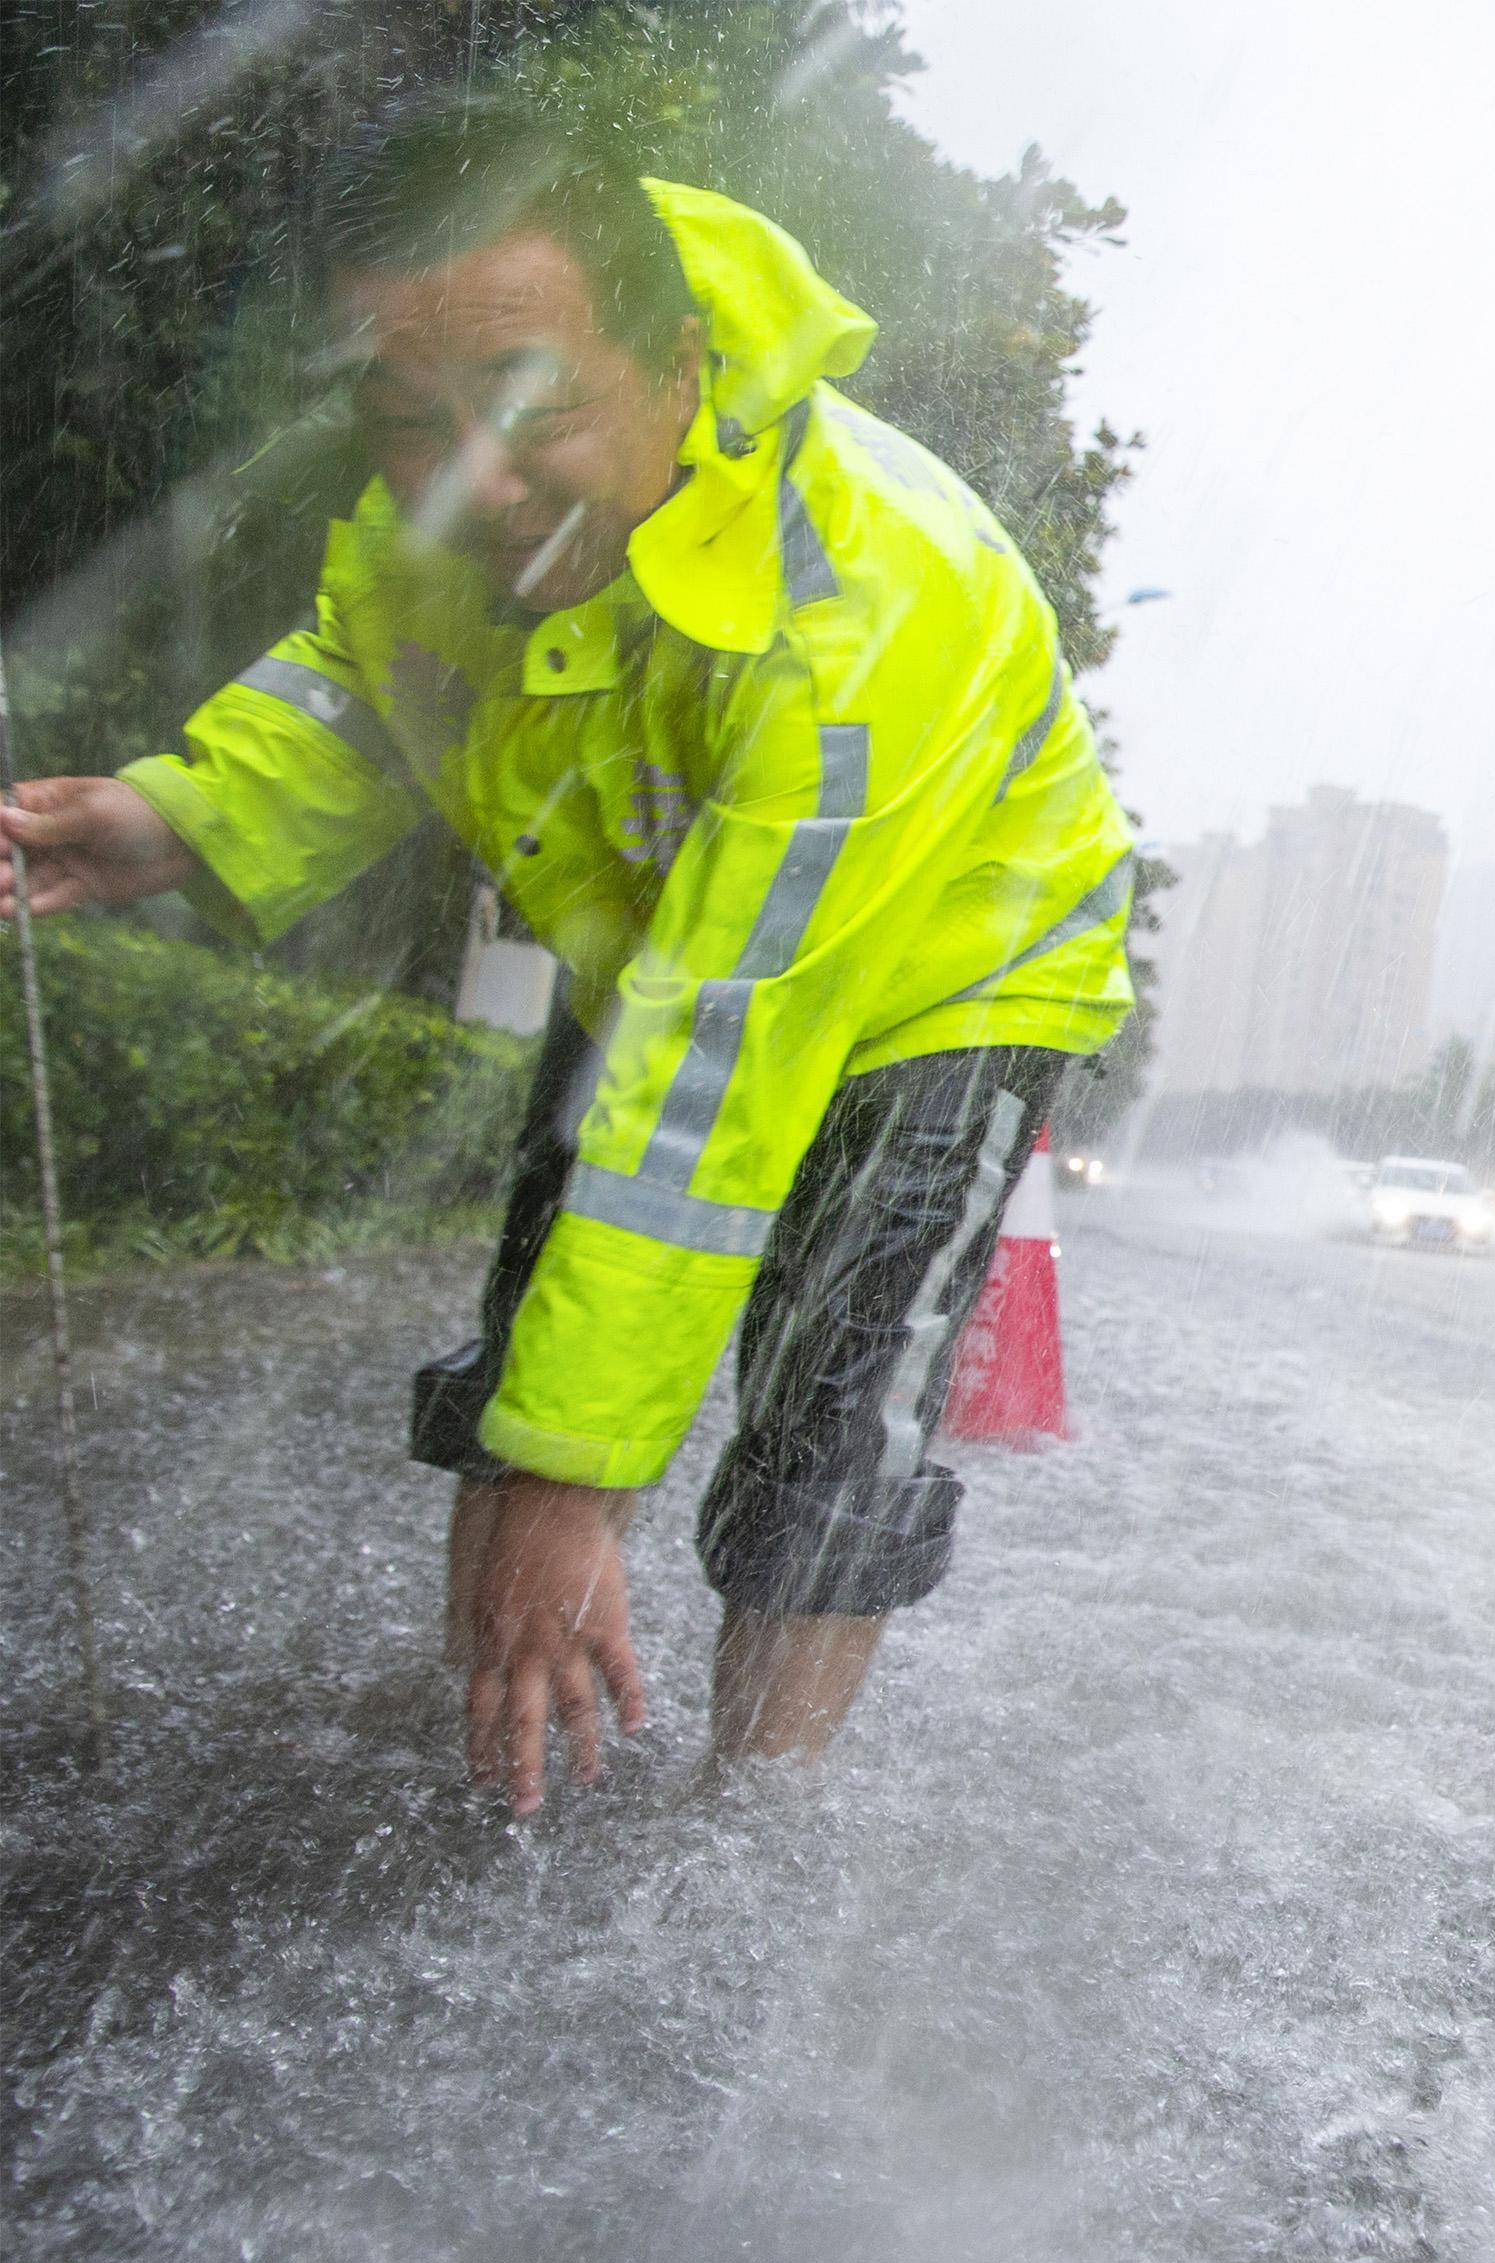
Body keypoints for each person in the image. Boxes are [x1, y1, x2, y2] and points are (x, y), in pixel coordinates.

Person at [0, 109, 1135, 1815]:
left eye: (537, 412)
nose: (477, 477)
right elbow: (371, 688)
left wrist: (574, 1479)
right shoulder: (440, 520)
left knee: (829, 1412)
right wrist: (174, 819)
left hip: (956, 974)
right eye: (407, 424)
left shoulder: (856, 611)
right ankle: (501, 1761)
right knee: (532, 1335)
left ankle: (744, 1841)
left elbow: (717, 1071)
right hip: (663, 948)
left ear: (676, 362)